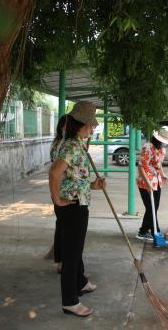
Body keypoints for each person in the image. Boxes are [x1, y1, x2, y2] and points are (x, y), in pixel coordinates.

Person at [49, 101, 105, 317]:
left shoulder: (75, 143)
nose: (92, 128)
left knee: (74, 252)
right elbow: (55, 173)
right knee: (72, 256)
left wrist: (93, 185)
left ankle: (79, 285)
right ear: (80, 124)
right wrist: (57, 200)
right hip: (73, 207)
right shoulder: (71, 145)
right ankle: (69, 302)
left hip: (76, 202)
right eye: (90, 125)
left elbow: (73, 178)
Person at [135, 126, 168, 241]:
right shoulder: (148, 148)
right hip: (145, 182)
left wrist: (162, 174)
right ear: (158, 139)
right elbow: (141, 167)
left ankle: (143, 231)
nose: (165, 144)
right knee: (151, 207)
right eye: (164, 142)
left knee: (153, 207)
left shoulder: (162, 149)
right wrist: (148, 184)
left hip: (156, 181)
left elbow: (159, 164)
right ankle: (154, 232)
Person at [50, 114, 67, 274]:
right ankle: (62, 262)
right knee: (64, 228)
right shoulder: (63, 144)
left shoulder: (59, 142)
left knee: (61, 226)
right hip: (63, 190)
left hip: (61, 189)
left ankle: (61, 261)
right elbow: (57, 171)